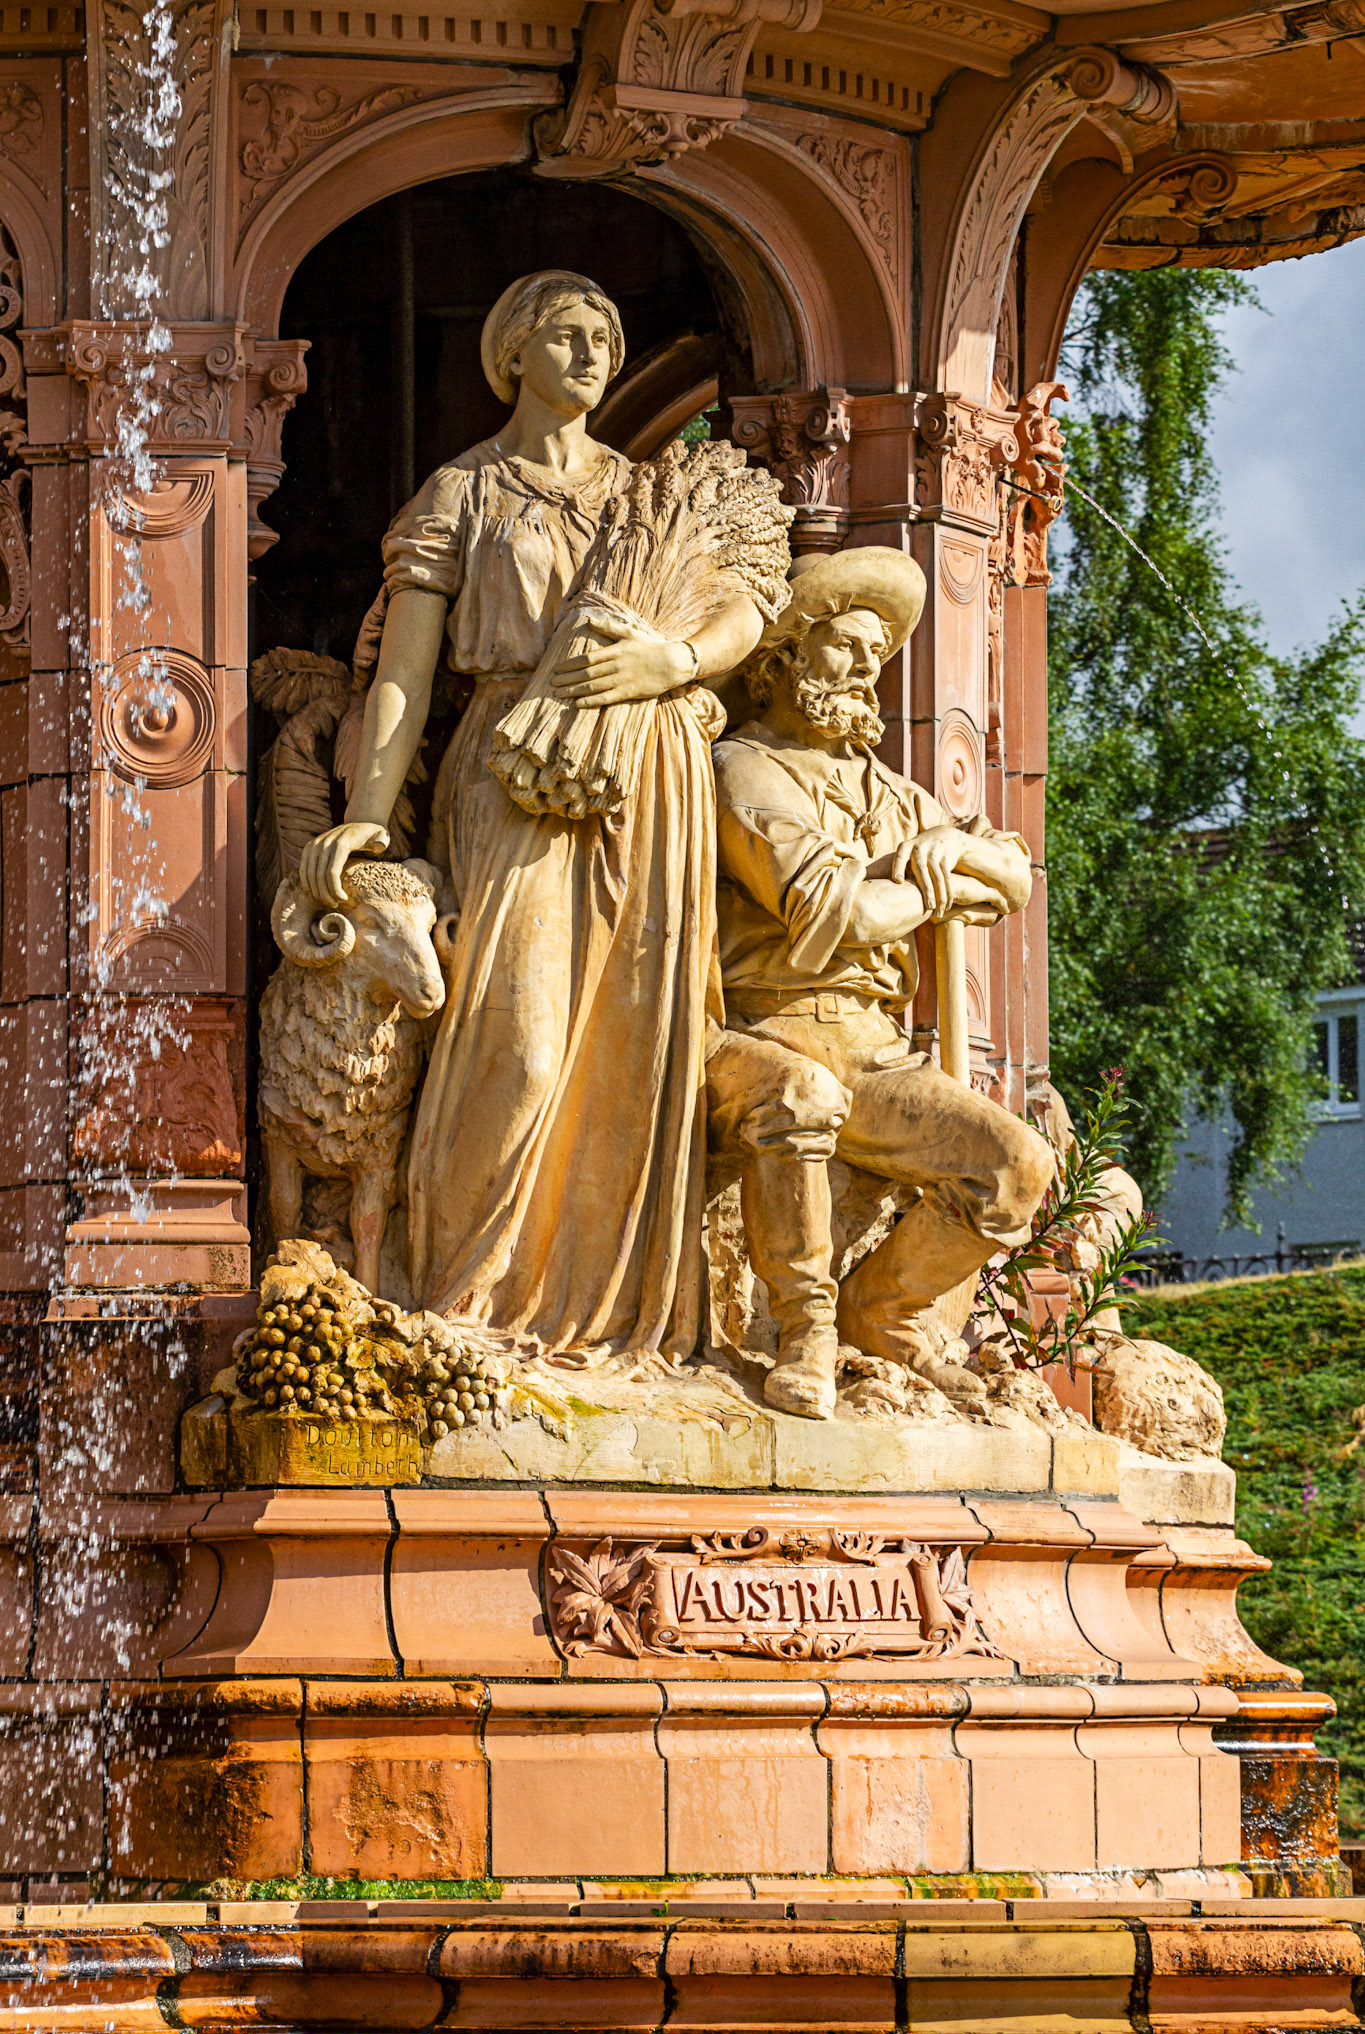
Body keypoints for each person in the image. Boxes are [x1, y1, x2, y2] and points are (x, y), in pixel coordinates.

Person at [298, 271, 771, 1362]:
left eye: (605, 336)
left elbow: (747, 603)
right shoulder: (462, 492)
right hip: (512, 764)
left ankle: (612, 1326)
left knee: (633, 1052)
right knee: (514, 1043)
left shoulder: (647, 492)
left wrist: (674, 659)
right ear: (512, 354)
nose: (592, 354)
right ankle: (462, 1307)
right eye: (566, 334)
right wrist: (367, 813)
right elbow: (406, 675)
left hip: (647, 773)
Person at [705, 548, 1057, 1419]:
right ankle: (804, 1329)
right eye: (845, 645)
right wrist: (935, 888)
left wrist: (956, 847)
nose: (867, 667)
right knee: (801, 1096)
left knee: (1019, 1165)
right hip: (769, 1027)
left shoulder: (896, 796)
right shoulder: (743, 769)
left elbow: (1013, 879)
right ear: (782, 658)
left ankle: (884, 1310)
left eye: (878, 652)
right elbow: (841, 911)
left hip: (876, 1048)